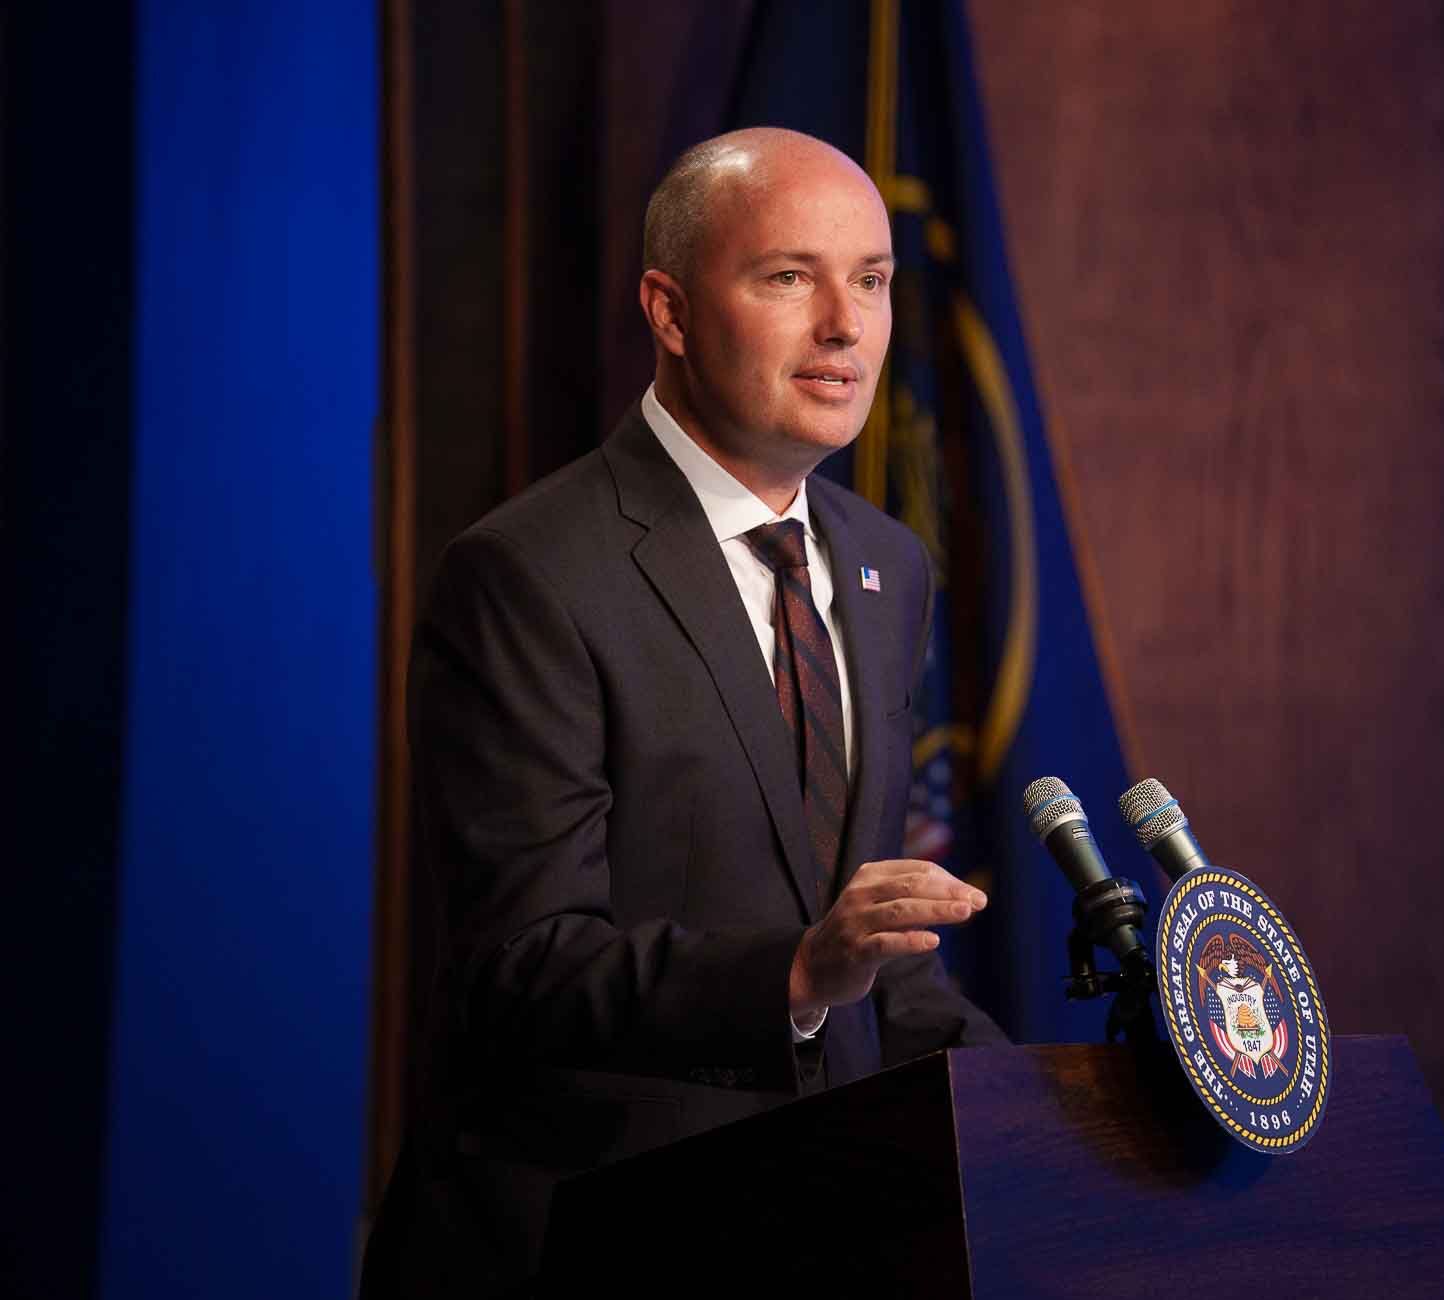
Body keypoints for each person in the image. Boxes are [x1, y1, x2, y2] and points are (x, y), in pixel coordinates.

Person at [360, 127, 1006, 1299]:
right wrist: (802, 972)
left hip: (827, 1237)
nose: (846, 327)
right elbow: (525, 968)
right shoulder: (529, 573)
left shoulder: (884, 563)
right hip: (582, 1246)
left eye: (869, 280)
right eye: (789, 277)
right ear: (668, 311)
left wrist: (1070, 1118)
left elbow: (871, 957)